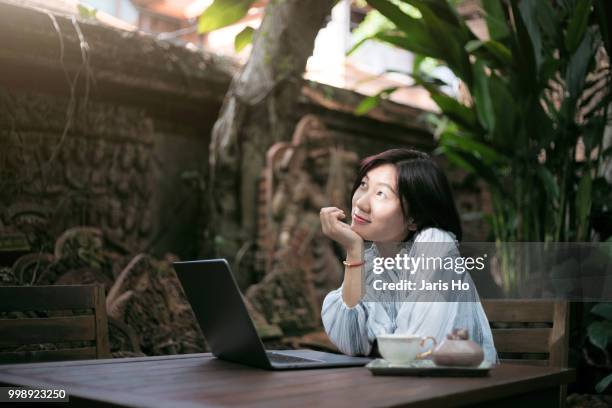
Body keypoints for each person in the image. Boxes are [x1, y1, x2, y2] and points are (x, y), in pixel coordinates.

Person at [320, 148, 497, 363]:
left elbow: (418, 347)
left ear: (414, 218)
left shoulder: (434, 243)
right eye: (364, 185)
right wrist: (353, 251)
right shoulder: (373, 260)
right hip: (403, 382)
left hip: (459, 387)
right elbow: (350, 341)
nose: (361, 203)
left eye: (381, 194)